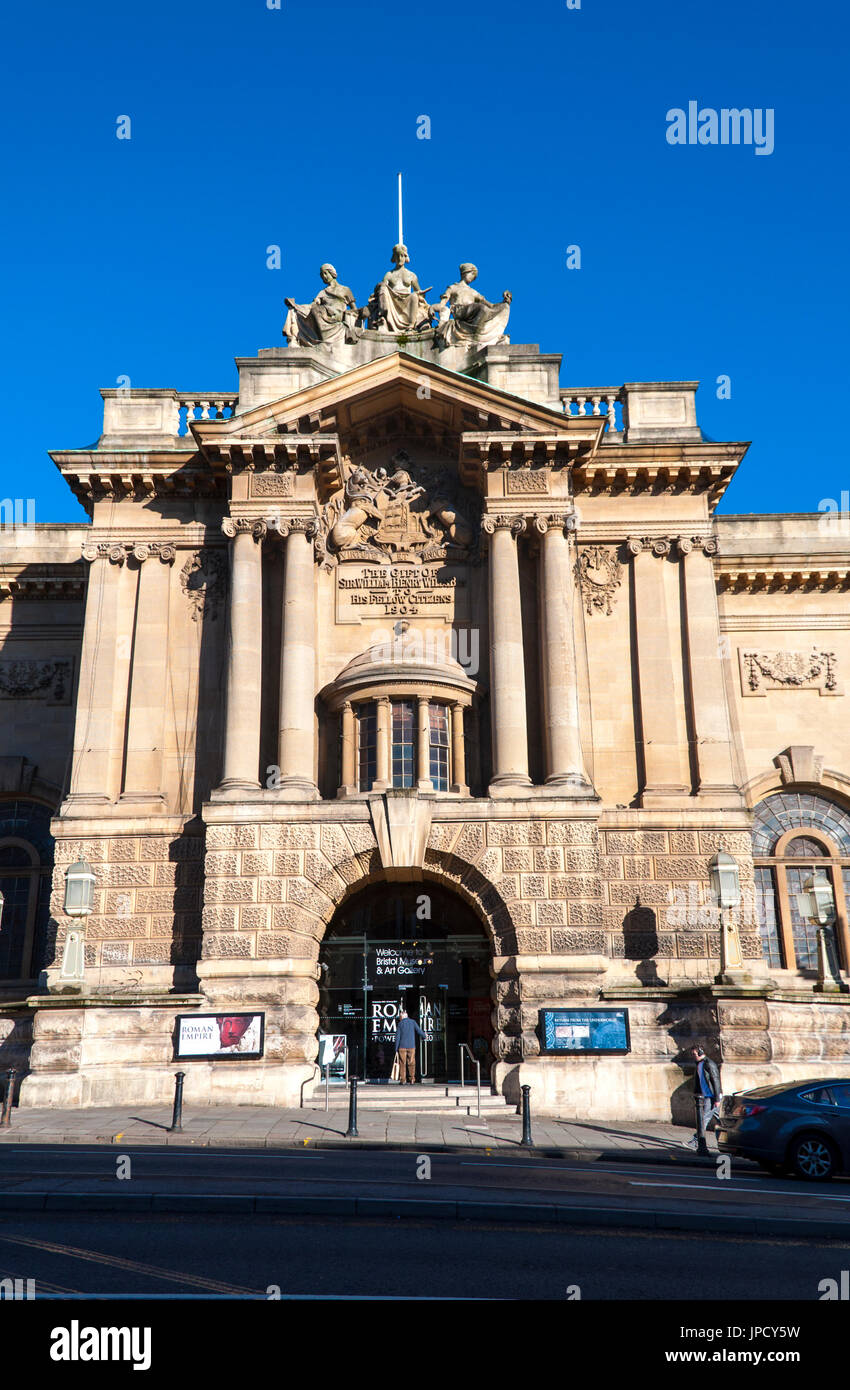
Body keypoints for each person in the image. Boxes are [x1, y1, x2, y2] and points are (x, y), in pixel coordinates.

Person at [687, 1045, 723, 1154]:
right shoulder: (699, 1064)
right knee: (721, 1121)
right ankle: (725, 1141)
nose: (693, 1056)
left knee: (703, 1119)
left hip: (711, 1096)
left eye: (694, 1054)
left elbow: (715, 1081)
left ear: (701, 1052)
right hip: (706, 1096)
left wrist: (717, 1098)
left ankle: (697, 1140)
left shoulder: (709, 1064)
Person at [394, 1008, 426, 1084]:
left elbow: (398, 1037)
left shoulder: (400, 1024)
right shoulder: (413, 1022)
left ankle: (403, 1080)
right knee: (411, 1063)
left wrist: (396, 1048)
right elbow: (419, 1030)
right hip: (411, 1046)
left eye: (400, 1017)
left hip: (402, 1046)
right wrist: (424, 1035)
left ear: (402, 1017)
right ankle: (412, 1079)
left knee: (402, 1063)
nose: (400, 1018)